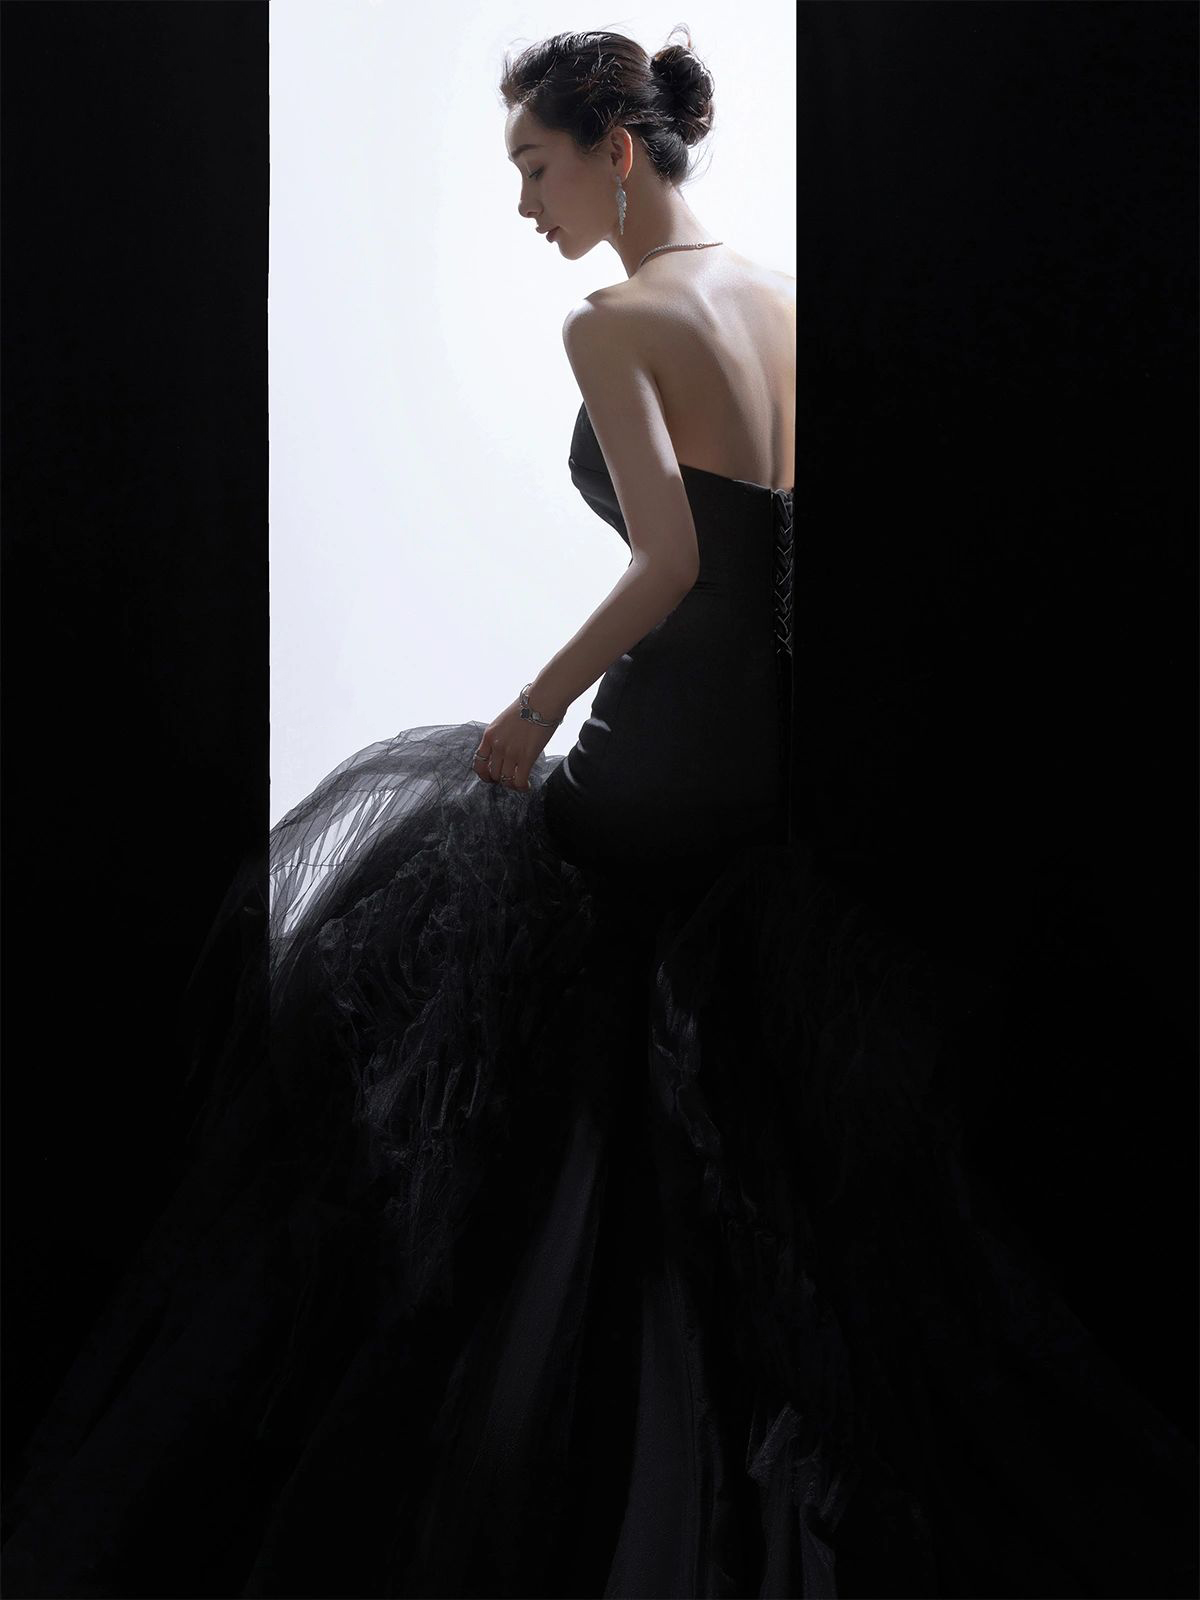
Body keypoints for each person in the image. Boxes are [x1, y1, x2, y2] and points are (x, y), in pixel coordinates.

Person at [2, 27, 1196, 1600]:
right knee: (646, 1099)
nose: (524, 203)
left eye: (535, 166)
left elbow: (672, 564)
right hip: (774, 773)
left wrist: (531, 708)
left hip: (658, 766)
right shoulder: (784, 301)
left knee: (426, 972)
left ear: (616, 152)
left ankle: (471, 1452)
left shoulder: (616, 321)